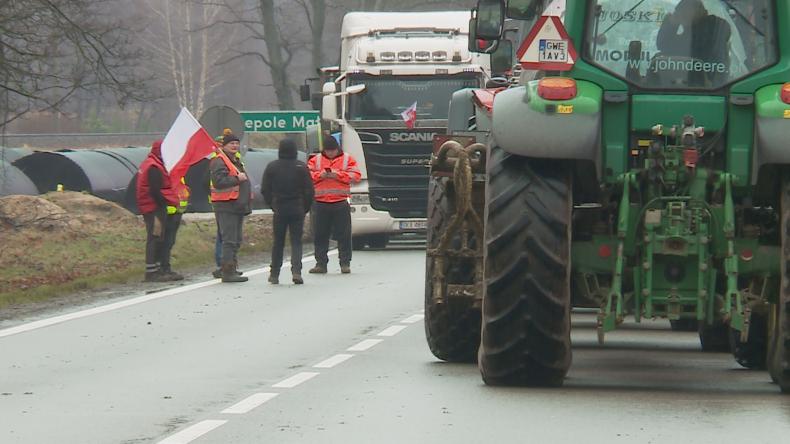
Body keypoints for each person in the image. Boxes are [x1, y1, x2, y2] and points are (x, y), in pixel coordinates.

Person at [261, 138, 314, 285]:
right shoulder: (301, 167)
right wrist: (305, 207)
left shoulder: (272, 167)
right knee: (296, 241)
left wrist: (272, 204)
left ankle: (274, 273)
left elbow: (265, 189)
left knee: (278, 242)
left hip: (280, 207)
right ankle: (296, 271)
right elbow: (309, 190)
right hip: (297, 207)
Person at [307, 133, 361, 274]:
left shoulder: (347, 159)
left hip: (340, 201)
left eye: (333, 151)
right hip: (321, 203)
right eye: (328, 151)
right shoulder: (315, 160)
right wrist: (321, 175)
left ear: (337, 149)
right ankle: (321, 263)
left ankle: (345, 263)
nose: (330, 153)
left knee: (344, 235)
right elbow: (307, 176)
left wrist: (339, 175)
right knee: (320, 235)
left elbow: (356, 176)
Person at [135, 140, 182, 282]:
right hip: (153, 207)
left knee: (158, 238)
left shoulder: (151, 163)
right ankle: (151, 271)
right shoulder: (154, 167)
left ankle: (157, 269)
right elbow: (155, 190)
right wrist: (164, 203)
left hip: (151, 206)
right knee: (155, 238)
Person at [210, 132, 252, 283]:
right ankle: (227, 271)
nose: (235, 146)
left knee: (236, 239)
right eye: (231, 144)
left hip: (236, 205)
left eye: (236, 143)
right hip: (225, 204)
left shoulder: (235, 160)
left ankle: (230, 266)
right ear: (224, 146)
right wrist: (236, 179)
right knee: (229, 239)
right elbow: (218, 181)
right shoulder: (219, 161)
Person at [656, 0, 731, 83]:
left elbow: (665, 45)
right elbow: (664, 46)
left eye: (685, 12)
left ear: (700, 11)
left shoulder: (714, 28)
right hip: (683, 84)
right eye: (680, 14)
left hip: (709, 87)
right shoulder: (687, 36)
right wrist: (671, 23)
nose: (681, 17)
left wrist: (671, 23)